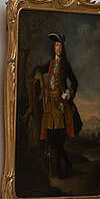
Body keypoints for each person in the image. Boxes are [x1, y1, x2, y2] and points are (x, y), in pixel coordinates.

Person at [27, 32, 80, 179]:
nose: (58, 48)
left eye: (60, 46)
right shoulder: (51, 64)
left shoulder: (65, 65)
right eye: (56, 45)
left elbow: (74, 82)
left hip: (61, 105)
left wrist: (67, 94)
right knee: (50, 138)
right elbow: (39, 69)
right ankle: (57, 169)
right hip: (50, 104)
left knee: (58, 140)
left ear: (63, 48)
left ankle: (65, 167)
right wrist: (35, 73)